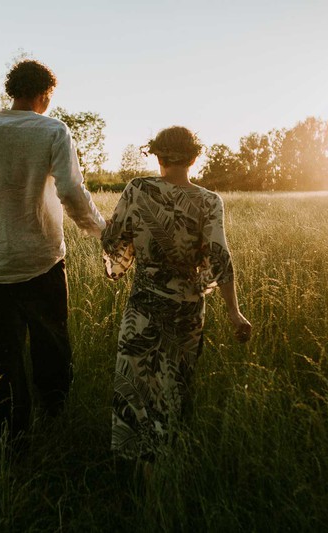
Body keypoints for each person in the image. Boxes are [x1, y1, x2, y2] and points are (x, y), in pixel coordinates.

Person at [0, 60, 106, 444]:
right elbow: (71, 191)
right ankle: (55, 416)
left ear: (13, 89)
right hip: (43, 258)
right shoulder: (53, 130)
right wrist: (102, 230)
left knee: (2, 354)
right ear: (45, 93)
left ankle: (7, 438)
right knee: (51, 345)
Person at [101, 126, 252, 460]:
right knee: (173, 389)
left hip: (142, 307)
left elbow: (115, 242)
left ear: (157, 156)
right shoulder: (210, 201)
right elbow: (220, 257)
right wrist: (233, 312)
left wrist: (120, 254)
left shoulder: (137, 189)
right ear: (194, 157)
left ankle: (139, 468)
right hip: (186, 311)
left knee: (137, 388)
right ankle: (166, 466)